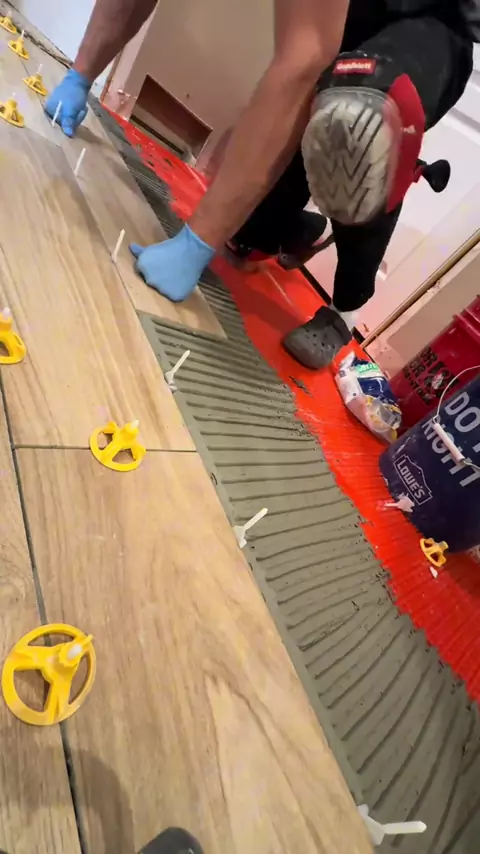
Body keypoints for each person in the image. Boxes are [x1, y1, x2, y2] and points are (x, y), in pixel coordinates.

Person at [46, 0, 477, 369]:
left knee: (360, 117)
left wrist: (196, 242)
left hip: (427, 24)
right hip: (347, 21)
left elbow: (305, 57)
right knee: (248, 236)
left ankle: (347, 305)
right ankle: (302, 229)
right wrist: (80, 75)